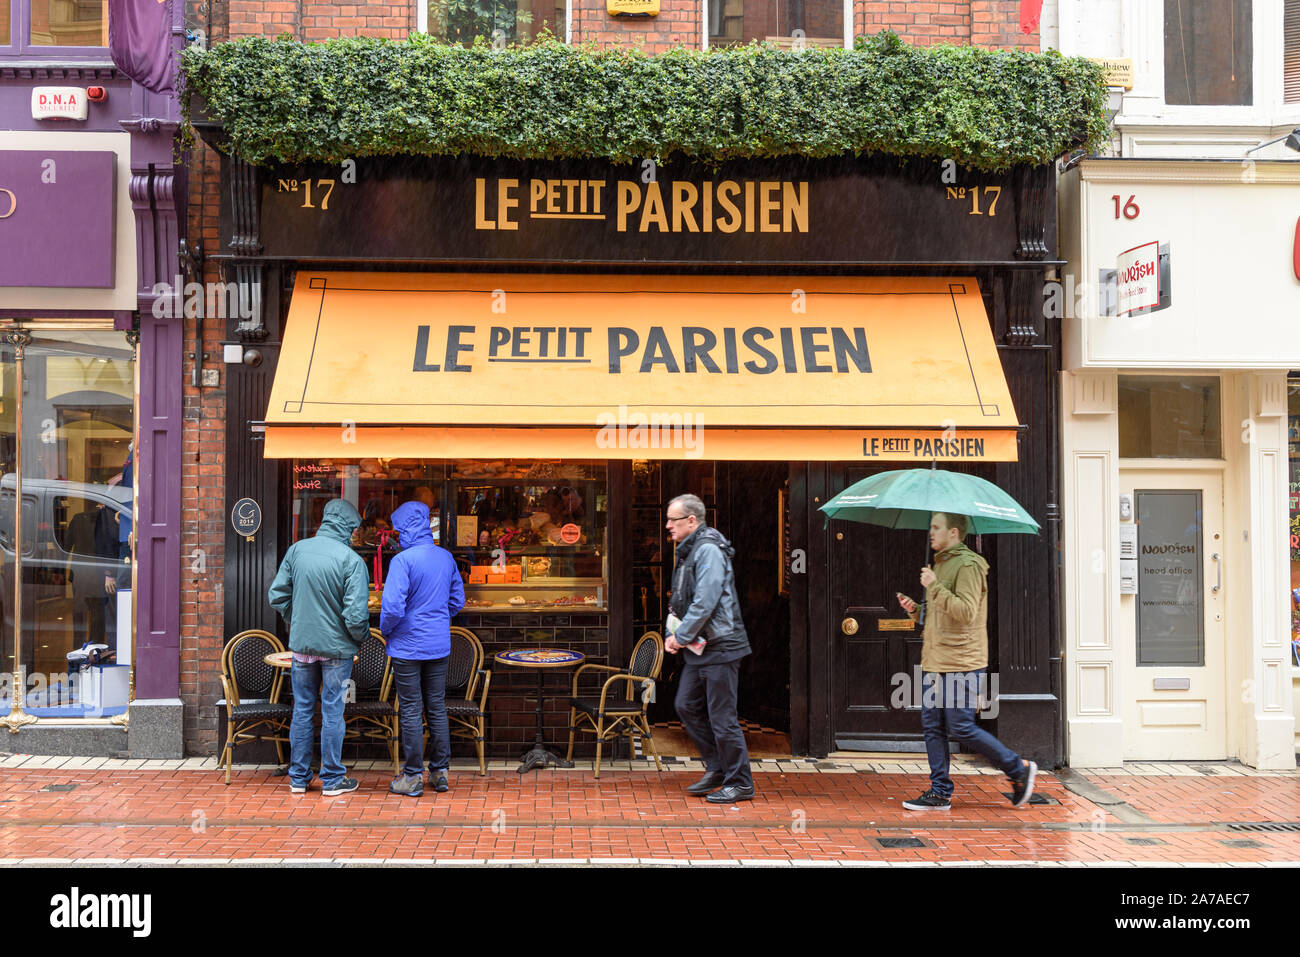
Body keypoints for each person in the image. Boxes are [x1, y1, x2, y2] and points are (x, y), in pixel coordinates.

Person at [896, 511, 1036, 810]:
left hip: (962, 660)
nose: (930, 532)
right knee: (932, 725)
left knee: (960, 728)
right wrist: (915, 611)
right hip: (936, 659)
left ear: (954, 533)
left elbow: (966, 612)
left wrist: (933, 586)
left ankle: (1017, 768)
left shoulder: (969, 565)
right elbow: (941, 615)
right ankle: (940, 792)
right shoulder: (942, 562)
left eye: (936, 527)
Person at [268, 498, 370, 796]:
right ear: (349, 527)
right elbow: (355, 615)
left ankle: (298, 778)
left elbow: (278, 596)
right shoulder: (351, 560)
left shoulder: (297, 550)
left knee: (301, 708)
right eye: (354, 528)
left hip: (301, 646)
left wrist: (297, 620)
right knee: (333, 710)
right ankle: (333, 779)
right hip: (338, 650)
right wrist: (357, 639)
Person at [664, 493, 754, 803]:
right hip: (700, 648)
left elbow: (706, 601)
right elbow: (680, 598)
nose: (667, 526)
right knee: (686, 705)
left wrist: (681, 635)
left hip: (721, 646)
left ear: (691, 520)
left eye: (672, 520)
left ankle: (740, 781)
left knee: (722, 718)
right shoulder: (688, 550)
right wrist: (671, 631)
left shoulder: (709, 550)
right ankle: (718, 767)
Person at [380, 499, 465, 797]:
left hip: (406, 646)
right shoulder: (445, 557)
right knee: (437, 706)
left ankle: (413, 776)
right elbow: (457, 601)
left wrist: (387, 631)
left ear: (404, 529)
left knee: (412, 709)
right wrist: (437, 619)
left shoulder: (403, 561)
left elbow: (391, 607)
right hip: (438, 644)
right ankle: (440, 772)